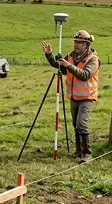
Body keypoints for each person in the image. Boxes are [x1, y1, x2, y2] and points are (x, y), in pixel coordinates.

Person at [42, 29, 100, 162]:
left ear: (86, 44)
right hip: (74, 97)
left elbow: (85, 75)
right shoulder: (71, 56)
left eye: (79, 42)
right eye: (75, 42)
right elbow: (60, 67)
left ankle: (87, 154)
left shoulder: (93, 60)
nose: (76, 44)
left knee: (82, 124)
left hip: (88, 98)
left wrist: (69, 66)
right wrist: (49, 55)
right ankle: (79, 152)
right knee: (75, 125)